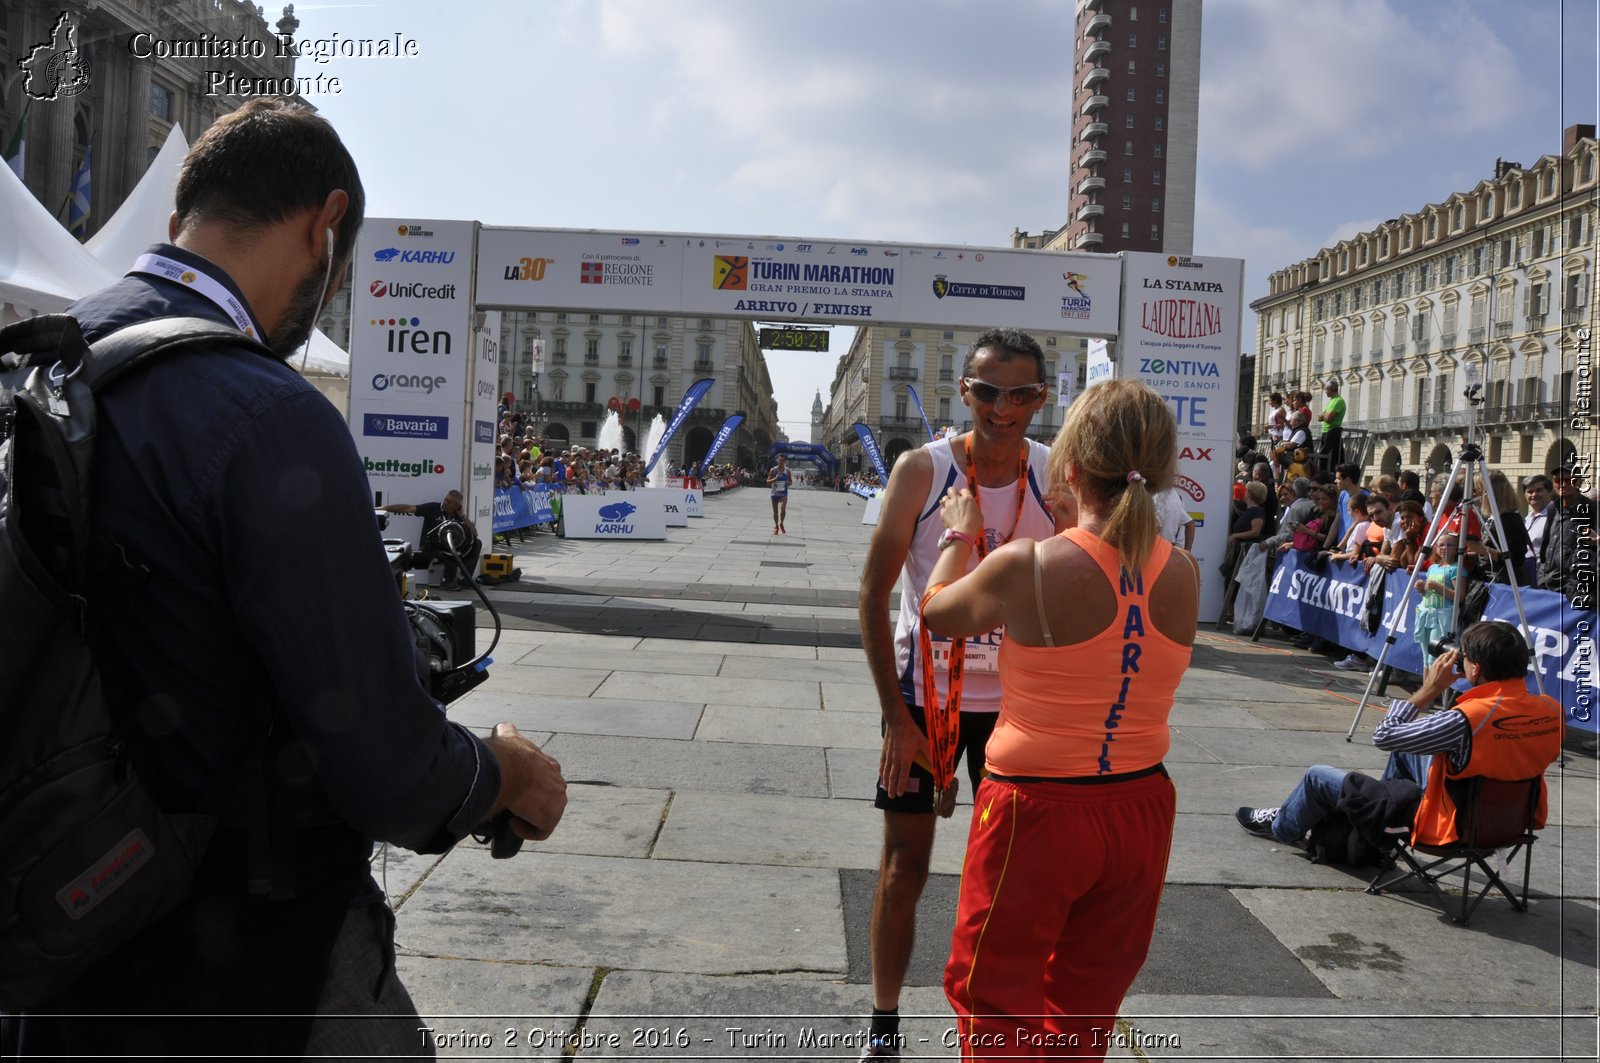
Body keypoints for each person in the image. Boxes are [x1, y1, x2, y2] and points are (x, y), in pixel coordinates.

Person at [7, 99, 567, 1059]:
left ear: (184, 214)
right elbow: (391, 769)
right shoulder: (265, 414)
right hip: (241, 951)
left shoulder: (41, 364)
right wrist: (503, 770)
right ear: (326, 223)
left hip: (56, 912)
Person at [920, 378, 1197, 1061]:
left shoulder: (1031, 565)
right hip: (1140, 806)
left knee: (995, 995)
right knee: (1085, 1004)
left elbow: (937, 611)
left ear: (1071, 464)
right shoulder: (1185, 572)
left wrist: (960, 530)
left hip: (1037, 809)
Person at [857, 328, 1058, 1059]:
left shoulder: (1055, 474)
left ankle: (999, 1027)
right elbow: (873, 594)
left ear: (1042, 395)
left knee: (1011, 878)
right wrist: (894, 720)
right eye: (985, 391)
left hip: (1018, 710)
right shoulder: (922, 470)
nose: (1002, 409)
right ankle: (883, 1025)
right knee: (904, 866)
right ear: (964, 391)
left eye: (1021, 393)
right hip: (922, 699)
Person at [1236, 621, 1563, 851]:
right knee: (1409, 748)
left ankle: (1282, 826)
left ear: (1474, 669)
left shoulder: (1467, 718)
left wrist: (1430, 690)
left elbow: (1384, 735)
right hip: (1509, 822)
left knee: (1317, 776)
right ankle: (1372, 831)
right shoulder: (1551, 709)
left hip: (1449, 826)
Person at [380, 489, 483, 591]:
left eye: (449, 502)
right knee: (449, 549)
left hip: (448, 547)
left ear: (457, 506)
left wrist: (463, 516)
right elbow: (408, 508)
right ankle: (448, 582)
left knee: (477, 543)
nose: (445, 503)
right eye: (445, 500)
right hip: (430, 547)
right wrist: (383, 508)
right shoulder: (433, 508)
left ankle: (466, 580)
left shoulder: (458, 516)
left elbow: (474, 533)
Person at [1216, 480, 1268, 627]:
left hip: (1245, 552)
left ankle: (1231, 613)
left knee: (1235, 580)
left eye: (1246, 491)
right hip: (1239, 550)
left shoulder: (1257, 511)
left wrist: (1235, 536)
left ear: (1250, 494)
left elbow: (1255, 531)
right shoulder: (1247, 511)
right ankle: (1230, 612)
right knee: (1229, 578)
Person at [1412, 537, 1463, 668]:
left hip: (1442, 617)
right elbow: (1428, 594)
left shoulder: (1456, 569)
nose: (1444, 548)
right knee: (1425, 658)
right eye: (1440, 546)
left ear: (1457, 548)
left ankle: (1433, 687)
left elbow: (1460, 596)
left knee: (1434, 658)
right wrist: (1422, 589)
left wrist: (1438, 587)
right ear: (1436, 548)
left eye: (1449, 545)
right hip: (1426, 614)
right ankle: (1425, 686)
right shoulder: (1432, 568)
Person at [1153, 484, 1197, 550]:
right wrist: (1187, 552)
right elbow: (1190, 525)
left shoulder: (1157, 497)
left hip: (1157, 547)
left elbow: (1190, 525)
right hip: (1168, 547)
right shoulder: (1174, 498)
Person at [1318, 379, 1346, 465]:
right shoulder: (1331, 401)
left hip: (1332, 433)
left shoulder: (1338, 401)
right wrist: (1324, 416)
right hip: (1326, 432)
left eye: (1326, 389)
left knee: (1330, 459)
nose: (1325, 391)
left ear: (1330, 389)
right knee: (1323, 459)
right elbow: (1320, 417)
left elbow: (1328, 418)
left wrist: (1324, 416)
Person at [768, 454, 791, 534]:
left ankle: (781, 523)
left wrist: (788, 483)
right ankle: (776, 526)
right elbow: (767, 482)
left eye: (783, 461)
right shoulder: (773, 470)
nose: (781, 462)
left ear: (785, 462)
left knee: (783, 509)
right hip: (774, 493)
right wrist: (775, 478)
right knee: (775, 512)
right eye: (780, 460)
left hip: (783, 493)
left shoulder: (787, 471)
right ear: (778, 461)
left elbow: (790, 481)